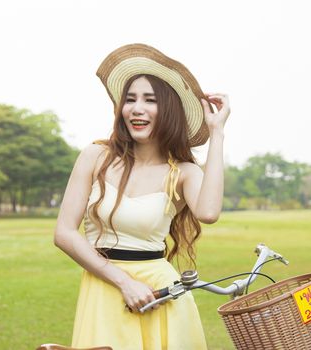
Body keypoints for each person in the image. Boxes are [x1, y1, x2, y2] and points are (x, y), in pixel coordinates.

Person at [54, 43, 230, 350]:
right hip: (104, 288)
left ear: (169, 110)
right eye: (130, 99)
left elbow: (209, 212)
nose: (137, 108)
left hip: (160, 295)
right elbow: (64, 233)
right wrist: (124, 282)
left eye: (150, 100)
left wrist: (217, 133)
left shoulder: (184, 172)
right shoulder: (96, 156)